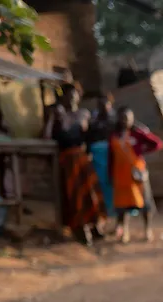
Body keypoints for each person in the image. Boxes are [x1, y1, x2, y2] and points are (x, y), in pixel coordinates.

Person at [43, 82, 106, 243]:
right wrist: (52, 117)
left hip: (83, 158)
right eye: (68, 97)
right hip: (67, 161)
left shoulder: (84, 114)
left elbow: (91, 136)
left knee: (90, 193)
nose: (71, 100)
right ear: (62, 98)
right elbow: (47, 137)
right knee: (74, 195)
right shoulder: (58, 117)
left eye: (74, 96)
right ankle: (81, 227)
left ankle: (95, 225)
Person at [108, 105, 163, 243]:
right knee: (123, 206)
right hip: (120, 176)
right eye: (123, 118)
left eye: (128, 118)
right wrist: (110, 175)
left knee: (145, 203)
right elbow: (111, 157)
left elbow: (157, 144)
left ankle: (147, 230)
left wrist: (143, 133)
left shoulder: (137, 134)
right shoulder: (114, 136)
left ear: (133, 119)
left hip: (137, 175)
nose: (125, 121)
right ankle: (124, 231)